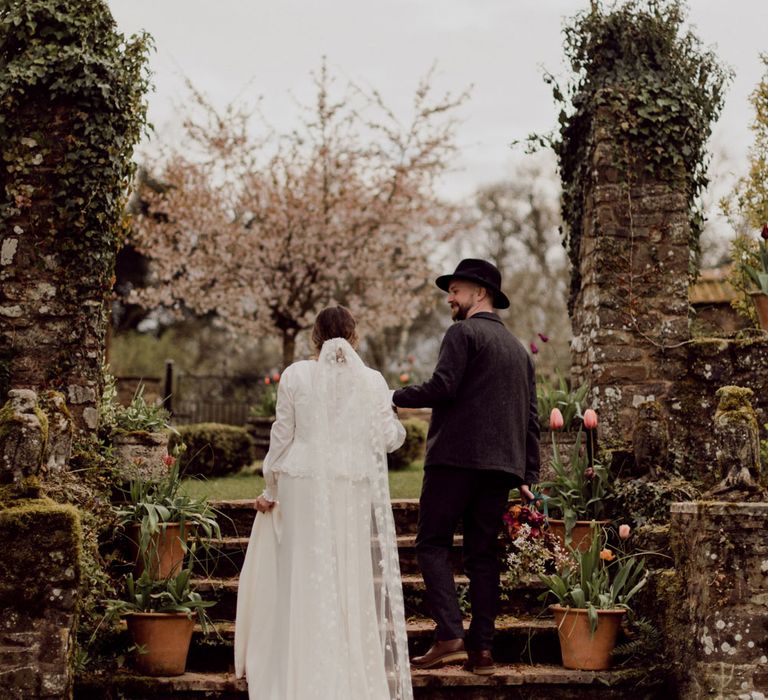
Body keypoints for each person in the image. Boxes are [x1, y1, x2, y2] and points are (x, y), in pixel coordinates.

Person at [234, 306, 413, 700]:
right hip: (350, 483)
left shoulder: (297, 375)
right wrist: (391, 414)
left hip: (301, 481)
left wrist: (271, 489)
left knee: (303, 570)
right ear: (355, 338)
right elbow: (389, 439)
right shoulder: (372, 381)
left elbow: (282, 435)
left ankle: (296, 668)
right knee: (347, 573)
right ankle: (346, 667)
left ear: (313, 338)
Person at [391, 258, 539, 675]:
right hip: (501, 467)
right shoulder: (520, 352)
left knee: (431, 543)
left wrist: (393, 396)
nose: (450, 299)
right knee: (482, 556)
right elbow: (531, 418)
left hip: (455, 459)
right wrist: (529, 476)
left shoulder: (463, 333)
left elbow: (443, 387)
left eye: (455, 290)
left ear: (480, 293)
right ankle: (482, 652)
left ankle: (450, 634)